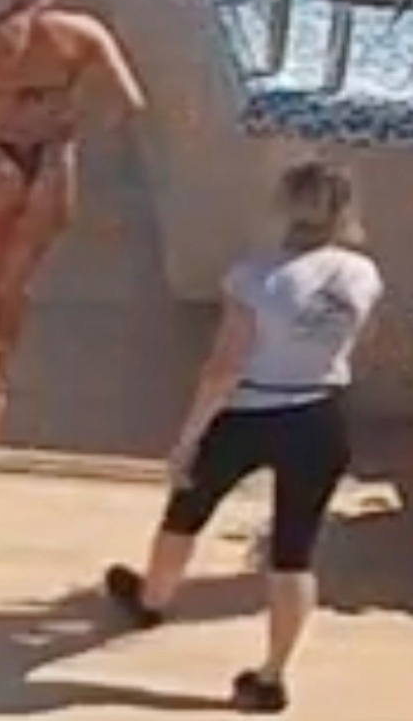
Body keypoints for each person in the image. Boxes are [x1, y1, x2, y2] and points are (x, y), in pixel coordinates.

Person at [104, 161, 383, 714]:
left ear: (285, 206)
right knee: (293, 553)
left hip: (250, 409)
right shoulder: (362, 275)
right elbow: (358, 339)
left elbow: (224, 367)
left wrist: (188, 437)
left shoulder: (255, 277)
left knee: (187, 510)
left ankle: (153, 597)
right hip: (319, 413)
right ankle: (272, 674)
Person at [0, 0, 147, 447]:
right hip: (53, 162)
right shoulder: (84, 33)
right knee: (14, 287)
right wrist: (71, 125)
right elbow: (130, 102)